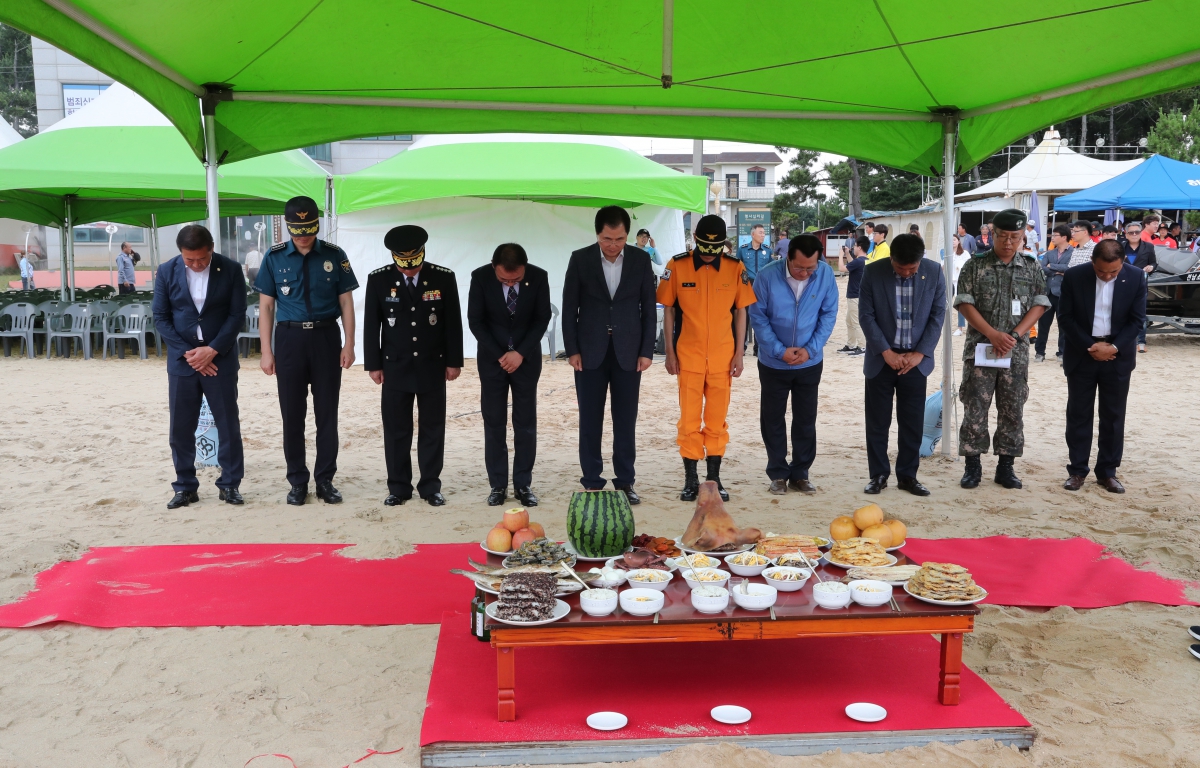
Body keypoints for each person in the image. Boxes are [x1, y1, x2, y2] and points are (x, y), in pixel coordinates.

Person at [255, 196, 358, 506]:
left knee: (327, 414)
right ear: (288, 227)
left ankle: (325, 480)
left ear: (317, 225)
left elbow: (346, 302)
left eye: (309, 229)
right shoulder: (273, 258)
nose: (303, 236)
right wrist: (265, 351)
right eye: (297, 230)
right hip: (289, 342)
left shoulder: (334, 255)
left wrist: (349, 343)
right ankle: (297, 481)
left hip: (326, 338)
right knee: (293, 416)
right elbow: (266, 306)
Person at [561, 205, 657, 504]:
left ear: (628, 235)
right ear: (597, 234)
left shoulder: (641, 260)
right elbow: (569, 308)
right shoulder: (581, 259)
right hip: (589, 352)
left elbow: (648, 309)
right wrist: (572, 349)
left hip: (629, 352)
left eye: (618, 239)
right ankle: (591, 481)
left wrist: (646, 350)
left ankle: (625, 481)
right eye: (606, 239)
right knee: (590, 420)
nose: (613, 246)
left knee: (625, 420)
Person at [658, 215, 756, 501]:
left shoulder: (735, 268)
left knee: (716, 421)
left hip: (723, 357)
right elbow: (668, 310)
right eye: (704, 245)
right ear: (695, 239)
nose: (710, 253)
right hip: (688, 356)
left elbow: (741, 311)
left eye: (716, 247)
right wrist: (669, 352)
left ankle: (713, 479)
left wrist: (739, 352)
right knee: (688, 420)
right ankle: (691, 479)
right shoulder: (677, 266)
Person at [364, 225, 463, 507]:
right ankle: (398, 487)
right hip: (395, 366)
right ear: (395, 258)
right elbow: (372, 324)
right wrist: (373, 363)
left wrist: (454, 361)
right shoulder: (379, 279)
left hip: (433, 365)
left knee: (432, 428)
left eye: (413, 264)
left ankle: (431, 486)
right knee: (396, 429)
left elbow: (452, 323)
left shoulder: (442, 278)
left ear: (422, 255)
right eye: (403, 265)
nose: (408, 270)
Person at [954, 208, 1050, 490]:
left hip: (1015, 352)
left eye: (1015, 237)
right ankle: (973, 467)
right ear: (992, 234)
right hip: (981, 349)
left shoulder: (1031, 266)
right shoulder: (975, 265)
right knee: (975, 407)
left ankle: (1006, 467)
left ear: (1023, 237)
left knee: (1012, 409)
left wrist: (1015, 335)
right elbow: (964, 303)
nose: (1008, 242)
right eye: (1003, 236)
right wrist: (992, 334)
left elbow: (1040, 303)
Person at [152, 225, 246, 509]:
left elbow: (237, 314)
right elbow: (160, 317)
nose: (195, 265)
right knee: (180, 427)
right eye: (189, 260)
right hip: (183, 363)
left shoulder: (230, 269)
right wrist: (189, 354)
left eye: (201, 259)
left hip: (220, 360)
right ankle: (184, 486)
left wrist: (213, 350)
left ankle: (229, 484)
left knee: (228, 424)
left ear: (211, 248)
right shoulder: (167, 270)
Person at [749, 234, 838, 495]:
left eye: (811, 268)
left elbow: (828, 313)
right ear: (787, 257)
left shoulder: (824, 275)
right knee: (772, 418)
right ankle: (777, 473)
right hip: (774, 363)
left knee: (805, 418)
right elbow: (758, 317)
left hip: (809, 363)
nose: (805, 273)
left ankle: (800, 472)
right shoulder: (766, 276)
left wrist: (810, 350)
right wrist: (778, 350)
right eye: (799, 267)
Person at [859, 233, 946, 496]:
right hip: (881, 359)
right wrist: (885, 352)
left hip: (915, 362)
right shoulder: (873, 272)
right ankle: (878, 475)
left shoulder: (933, 271)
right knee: (877, 422)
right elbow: (866, 315)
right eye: (900, 268)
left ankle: (908, 476)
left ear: (921, 260)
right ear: (891, 259)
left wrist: (920, 353)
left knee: (912, 423)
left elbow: (937, 314)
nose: (907, 273)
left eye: (912, 268)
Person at [1058, 239, 1146, 494]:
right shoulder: (1075, 276)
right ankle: (1077, 471)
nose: (1107, 277)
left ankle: (1108, 472)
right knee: (1078, 414)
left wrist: (1113, 347)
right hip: (1082, 352)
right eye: (1101, 271)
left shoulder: (1137, 277)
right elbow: (1065, 317)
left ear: (1122, 265)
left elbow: (1137, 321)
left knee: (1114, 416)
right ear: (1092, 262)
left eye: (1113, 272)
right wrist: (1090, 346)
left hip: (1117, 356)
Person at [468, 242, 551, 507]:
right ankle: (498, 485)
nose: (511, 283)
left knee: (525, 423)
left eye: (516, 279)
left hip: (525, 361)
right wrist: (501, 354)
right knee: (494, 422)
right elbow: (476, 321)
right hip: (493, 361)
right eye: (505, 279)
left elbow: (542, 318)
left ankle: (523, 484)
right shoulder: (480, 277)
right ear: (494, 268)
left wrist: (521, 353)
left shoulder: (538, 277)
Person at [1036, 224, 1074, 362]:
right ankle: (1040, 352)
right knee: (1043, 324)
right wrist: (1058, 271)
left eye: (1055, 235)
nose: (1052, 238)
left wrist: (1052, 266)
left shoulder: (1073, 252)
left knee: (1063, 325)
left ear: (1064, 237)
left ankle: (1062, 352)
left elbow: (1070, 268)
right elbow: (1042, 268)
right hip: (1048, 292)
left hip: (1064, 293)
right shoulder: (1049, 253)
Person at [1121, 221, 1156, 353]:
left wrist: (1151, 267)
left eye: (1137, 232)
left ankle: (1141, 342)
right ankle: (1125, 340)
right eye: (1131, 232)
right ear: (1126, 234)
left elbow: (1153, 262)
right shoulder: (1121, 246)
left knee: (1140, 313)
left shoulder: (1148, 246)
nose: (1134, 234)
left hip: (1140, 284)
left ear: (1141, 233)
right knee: (1122, 313)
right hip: (1123, 283)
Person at [836, 235, 869, 354]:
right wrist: (847, 254)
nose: (853, 247)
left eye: (855, 245)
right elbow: (852, 264)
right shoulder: (864, 261)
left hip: (855, 296)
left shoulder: (859, 261)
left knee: (856, 322)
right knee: (849, 321)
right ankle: (851, 345)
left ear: (859, 247)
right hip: (856, 295)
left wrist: (840, 255)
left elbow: (841, 268)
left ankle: (862, 346)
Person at [951, 234, 970, 337]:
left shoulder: (964, 253)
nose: (952, 242)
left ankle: (960, 327)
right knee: (945, 303)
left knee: (960, 304)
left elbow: (969, 266)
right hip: (950, 281)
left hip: (960, 281)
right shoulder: (946, 253)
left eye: (954, 239)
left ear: (958, 241)